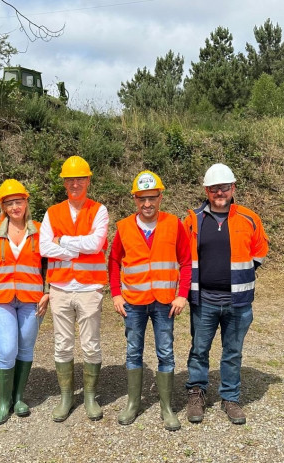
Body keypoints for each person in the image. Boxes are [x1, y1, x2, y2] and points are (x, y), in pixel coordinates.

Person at [184, 163, 269, 425]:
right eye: (213, 189)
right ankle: (196, 393)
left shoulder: (249, 218)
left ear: (233, 188)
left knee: (233, 352)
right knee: (199, 349)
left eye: (224, 187)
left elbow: (260, 251)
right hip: (204, 300)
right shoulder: (192, 219)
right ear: (206, 191)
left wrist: (238, 275)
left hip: (238, 301)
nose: (219, 192)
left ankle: (230, 398)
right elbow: (183, 257)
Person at [109, 171, 191, 431]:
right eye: (142, 199)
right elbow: (113, 262)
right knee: (133, 351)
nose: (147, 204)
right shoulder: (123, 227)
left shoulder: (174, 224)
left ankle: (167, 407)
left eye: (152, 198)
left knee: (165, 352)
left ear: (160, 197)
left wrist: (182, 294)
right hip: (133, 302)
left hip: (165, 302)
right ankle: (133, 403)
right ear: (135, 199)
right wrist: (115, 293)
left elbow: (186, 261)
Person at [39, 155, 109, 422]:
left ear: (88, 180)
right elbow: (45, 248)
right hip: (60, 288)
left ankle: (90, 397)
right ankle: (67, 397)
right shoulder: (52, 211)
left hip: (89, 288)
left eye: (80, 178)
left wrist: (64, 241)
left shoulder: (99, 210)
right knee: (62, 344)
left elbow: (96, 244)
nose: (75, 183)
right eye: (70, 179)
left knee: (91, 344)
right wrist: (76, 251)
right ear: (64, 183)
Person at [0, 179, 49, 425]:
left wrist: (47, 292)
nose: (15, 207)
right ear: (3, 207)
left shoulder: (41, 231)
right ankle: (4, 400)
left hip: (32, 300)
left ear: (26, 202)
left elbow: (48, 265)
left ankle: (19, 397)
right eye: (9, 203)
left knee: (26, 350)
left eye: (18, 201)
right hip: (1, 299)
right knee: (7, 350)